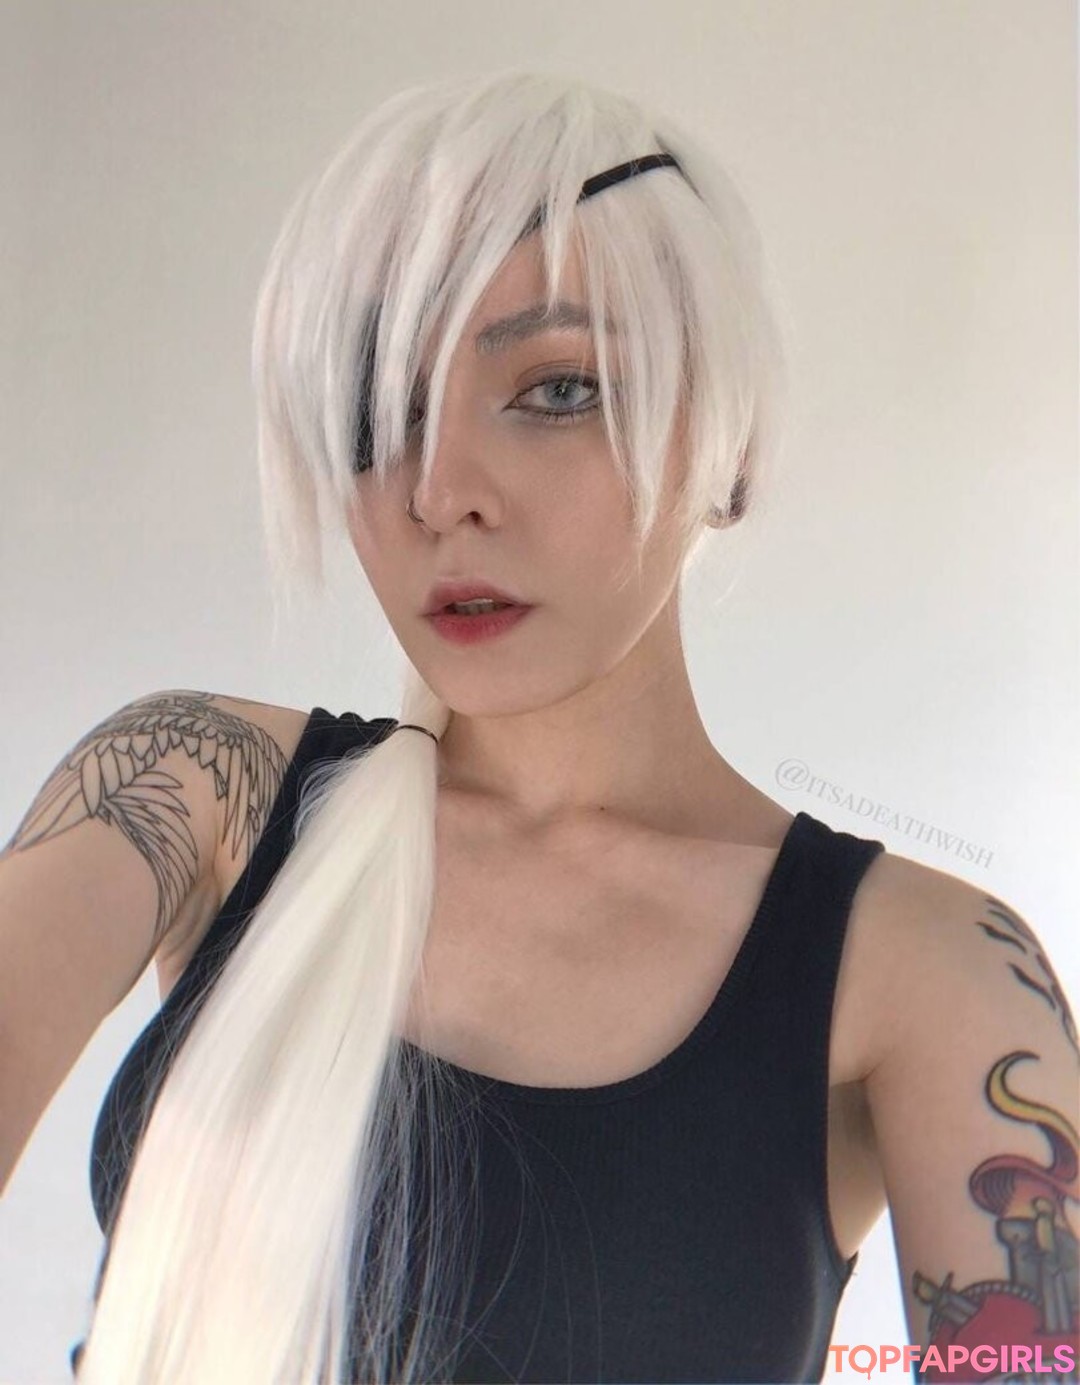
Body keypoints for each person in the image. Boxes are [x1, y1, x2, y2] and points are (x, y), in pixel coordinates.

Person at [1, 68, 1076, 1385]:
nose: (439, 491)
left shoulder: (928, 973)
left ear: (726, 443)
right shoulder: (195, 790)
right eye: (377, 409)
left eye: (559, 389)